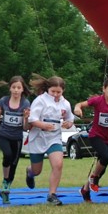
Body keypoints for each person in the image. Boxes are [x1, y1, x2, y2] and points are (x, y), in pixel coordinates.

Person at [73, 77, 108, 203]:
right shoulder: (98, 100)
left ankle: (85, 190)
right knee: (106, 156)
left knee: (102, 169)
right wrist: (77, 108)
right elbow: (80, 104)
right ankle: (94, 177)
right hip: (96, 136)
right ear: (104, 89)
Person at [25, 75, 74, 206]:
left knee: (58, 164)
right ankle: (30, 172)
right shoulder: (40, 100)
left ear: (63, 91)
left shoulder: (65, 103)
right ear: (48, 89)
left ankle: (52, 195)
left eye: (59, 92)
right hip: (38, 137)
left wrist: (68, 124)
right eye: (53, 91)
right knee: (37, 171)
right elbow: (32, 119)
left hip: (54, 137)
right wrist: (43, 125)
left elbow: (70, 118)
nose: (56, 94)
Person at [0, 75, 30, 204]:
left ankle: (6, 190)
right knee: (7, 155)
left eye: (18, 87)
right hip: (3, 135)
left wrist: (26, 118)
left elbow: (25, 127)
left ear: (22, 89)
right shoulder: (3, 101)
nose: (16, 90)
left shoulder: (25, 103)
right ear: (10, 88)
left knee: (13, 165)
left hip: (17, 138)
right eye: (13, 87)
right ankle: (5, 180)